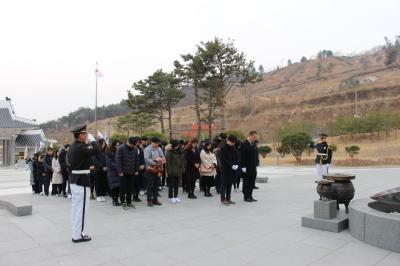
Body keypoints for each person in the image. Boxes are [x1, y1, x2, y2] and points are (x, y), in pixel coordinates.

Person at [68, 125, 100, 243]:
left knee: (76, 208)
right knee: (81, 209)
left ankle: (76, 232)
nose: (86, 135)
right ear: (80, 135)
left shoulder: (75, 146)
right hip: (81, 180)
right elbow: (97, 150)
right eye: (85, 134)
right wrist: (92, 140)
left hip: (76, 179)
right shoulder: (79, 147)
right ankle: (78, 235)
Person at [116, 137, 140, 210]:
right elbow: (118, 161)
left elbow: (136, 160)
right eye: (131, 144)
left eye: (133, 145)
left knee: (130, 187)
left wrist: (136, 170)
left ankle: (129, 201)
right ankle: (123, 202)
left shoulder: (135, 149)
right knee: (123, 188)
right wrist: (120, 171)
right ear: (128, 142)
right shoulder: (121, 148)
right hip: (123, 172)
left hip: (132, 171)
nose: (132, 146)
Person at [144, 137, 165, 207]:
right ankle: (149, 200)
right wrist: (156, 162)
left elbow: (163, 157)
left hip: (158, 169)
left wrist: (161, 160)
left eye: (158, 143)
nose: (157, 145)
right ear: (152, 142)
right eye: (156, 143)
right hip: (151, 169)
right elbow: (147, 159)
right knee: (150, 185)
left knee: (156, 185)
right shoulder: (147, 149)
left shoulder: (159, 149)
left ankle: (155, 199)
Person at [219, 135, 239, 205]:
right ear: (228, 141)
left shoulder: (233, 147)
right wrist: (231, 165)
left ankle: (228, 198)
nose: (233, 144)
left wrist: (236, 164)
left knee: (230, 184)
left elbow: (237, 156)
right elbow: (223, 159)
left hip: (232, 169)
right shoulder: (223, 148)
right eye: (232, 142)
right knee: (224, 184)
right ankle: (223, 199)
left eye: (234, 143)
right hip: (225, 169)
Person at [240, 131, 259, 202]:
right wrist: (243, 166)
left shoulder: (253, 144)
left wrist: (256, 165)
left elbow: (255, 155)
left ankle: (250, 195)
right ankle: (246, 196)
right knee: (246, 181)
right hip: (246, 167)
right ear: (250, 136)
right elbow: (242, 156)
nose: (255, 138)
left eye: (255, 137)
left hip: (253, 166)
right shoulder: (244, 144)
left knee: (252, 181)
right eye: (254, 137)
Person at [105, 140, 121, 206]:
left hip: (118, 172)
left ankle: (116, 199)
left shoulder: (119, 152)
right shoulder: (109, 152)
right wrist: (118, 167)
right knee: (113, 186)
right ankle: (114, 200)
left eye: (118, 145)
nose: (117, 146)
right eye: (116, 145)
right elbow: (109, 162)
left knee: (118, 187)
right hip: (112, 172)